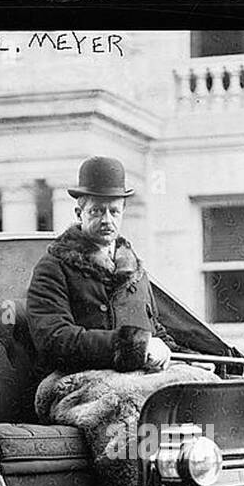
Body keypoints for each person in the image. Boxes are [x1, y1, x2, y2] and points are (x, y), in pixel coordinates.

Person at [26, 156, 177, 376]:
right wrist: (134, 345)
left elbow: (156, 332)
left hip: (138, 377)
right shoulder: (53, 268)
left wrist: (188, 359)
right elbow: (54, 339)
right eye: (97, 211)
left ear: (122, 213)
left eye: (114, 211)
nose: (107, 220)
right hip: (76, 380)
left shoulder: (134, 270)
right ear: (80, 214)